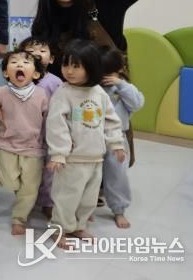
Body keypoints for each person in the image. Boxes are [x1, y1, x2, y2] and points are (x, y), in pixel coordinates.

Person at [31, 0, 154, 167]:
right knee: (76, 152)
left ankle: (108, 181)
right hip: (71, 96)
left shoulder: (102, 0)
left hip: (108, 89)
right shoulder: (45, 22)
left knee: (110, 152)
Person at [46, 40, 125, 249]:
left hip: (95, 158)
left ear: (91, 67)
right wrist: (59, 153)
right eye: (66, 64)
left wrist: (116, 143)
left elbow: (111, 120)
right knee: (66, 198)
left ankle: (79, 226)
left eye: (76, 66)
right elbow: (56, 125)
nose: (69, 71)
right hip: (71, 160)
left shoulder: (99, 93)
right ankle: (59, 229)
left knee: (88, 199)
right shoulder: (63, 93)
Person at [0, 51, 48, 235]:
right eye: (14, 62)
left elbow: (50, 120)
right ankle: (22, 197)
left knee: (29, 188)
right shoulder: (2, 92)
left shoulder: (42, 94)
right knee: (9, 181)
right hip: (6, 145)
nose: (20, 65)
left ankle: (19, 218)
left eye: (26, 62)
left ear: (35, 74)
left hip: (34, 148)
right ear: (6, 72)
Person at [100, 46, 144, 229]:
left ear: (118, 69)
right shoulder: (90, 86)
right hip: (90, 136)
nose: (104, 77)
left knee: (117, 174)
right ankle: (84, 208)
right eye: (100, 72)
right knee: (87, 173)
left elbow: (137, 104)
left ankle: (119, 210)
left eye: (108, 73)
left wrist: (121, 84)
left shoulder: (123, 87)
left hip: (116, 138)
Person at [20, 36, 63, 219]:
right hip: (25, 135)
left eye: (42, 51)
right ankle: (26, 200)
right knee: (26, 170)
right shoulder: (19, 80)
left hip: (48, 134)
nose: (37, 54)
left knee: (48, 172)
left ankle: (47, 202)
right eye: (30, 51)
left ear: (51, 59)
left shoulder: (55, 82)